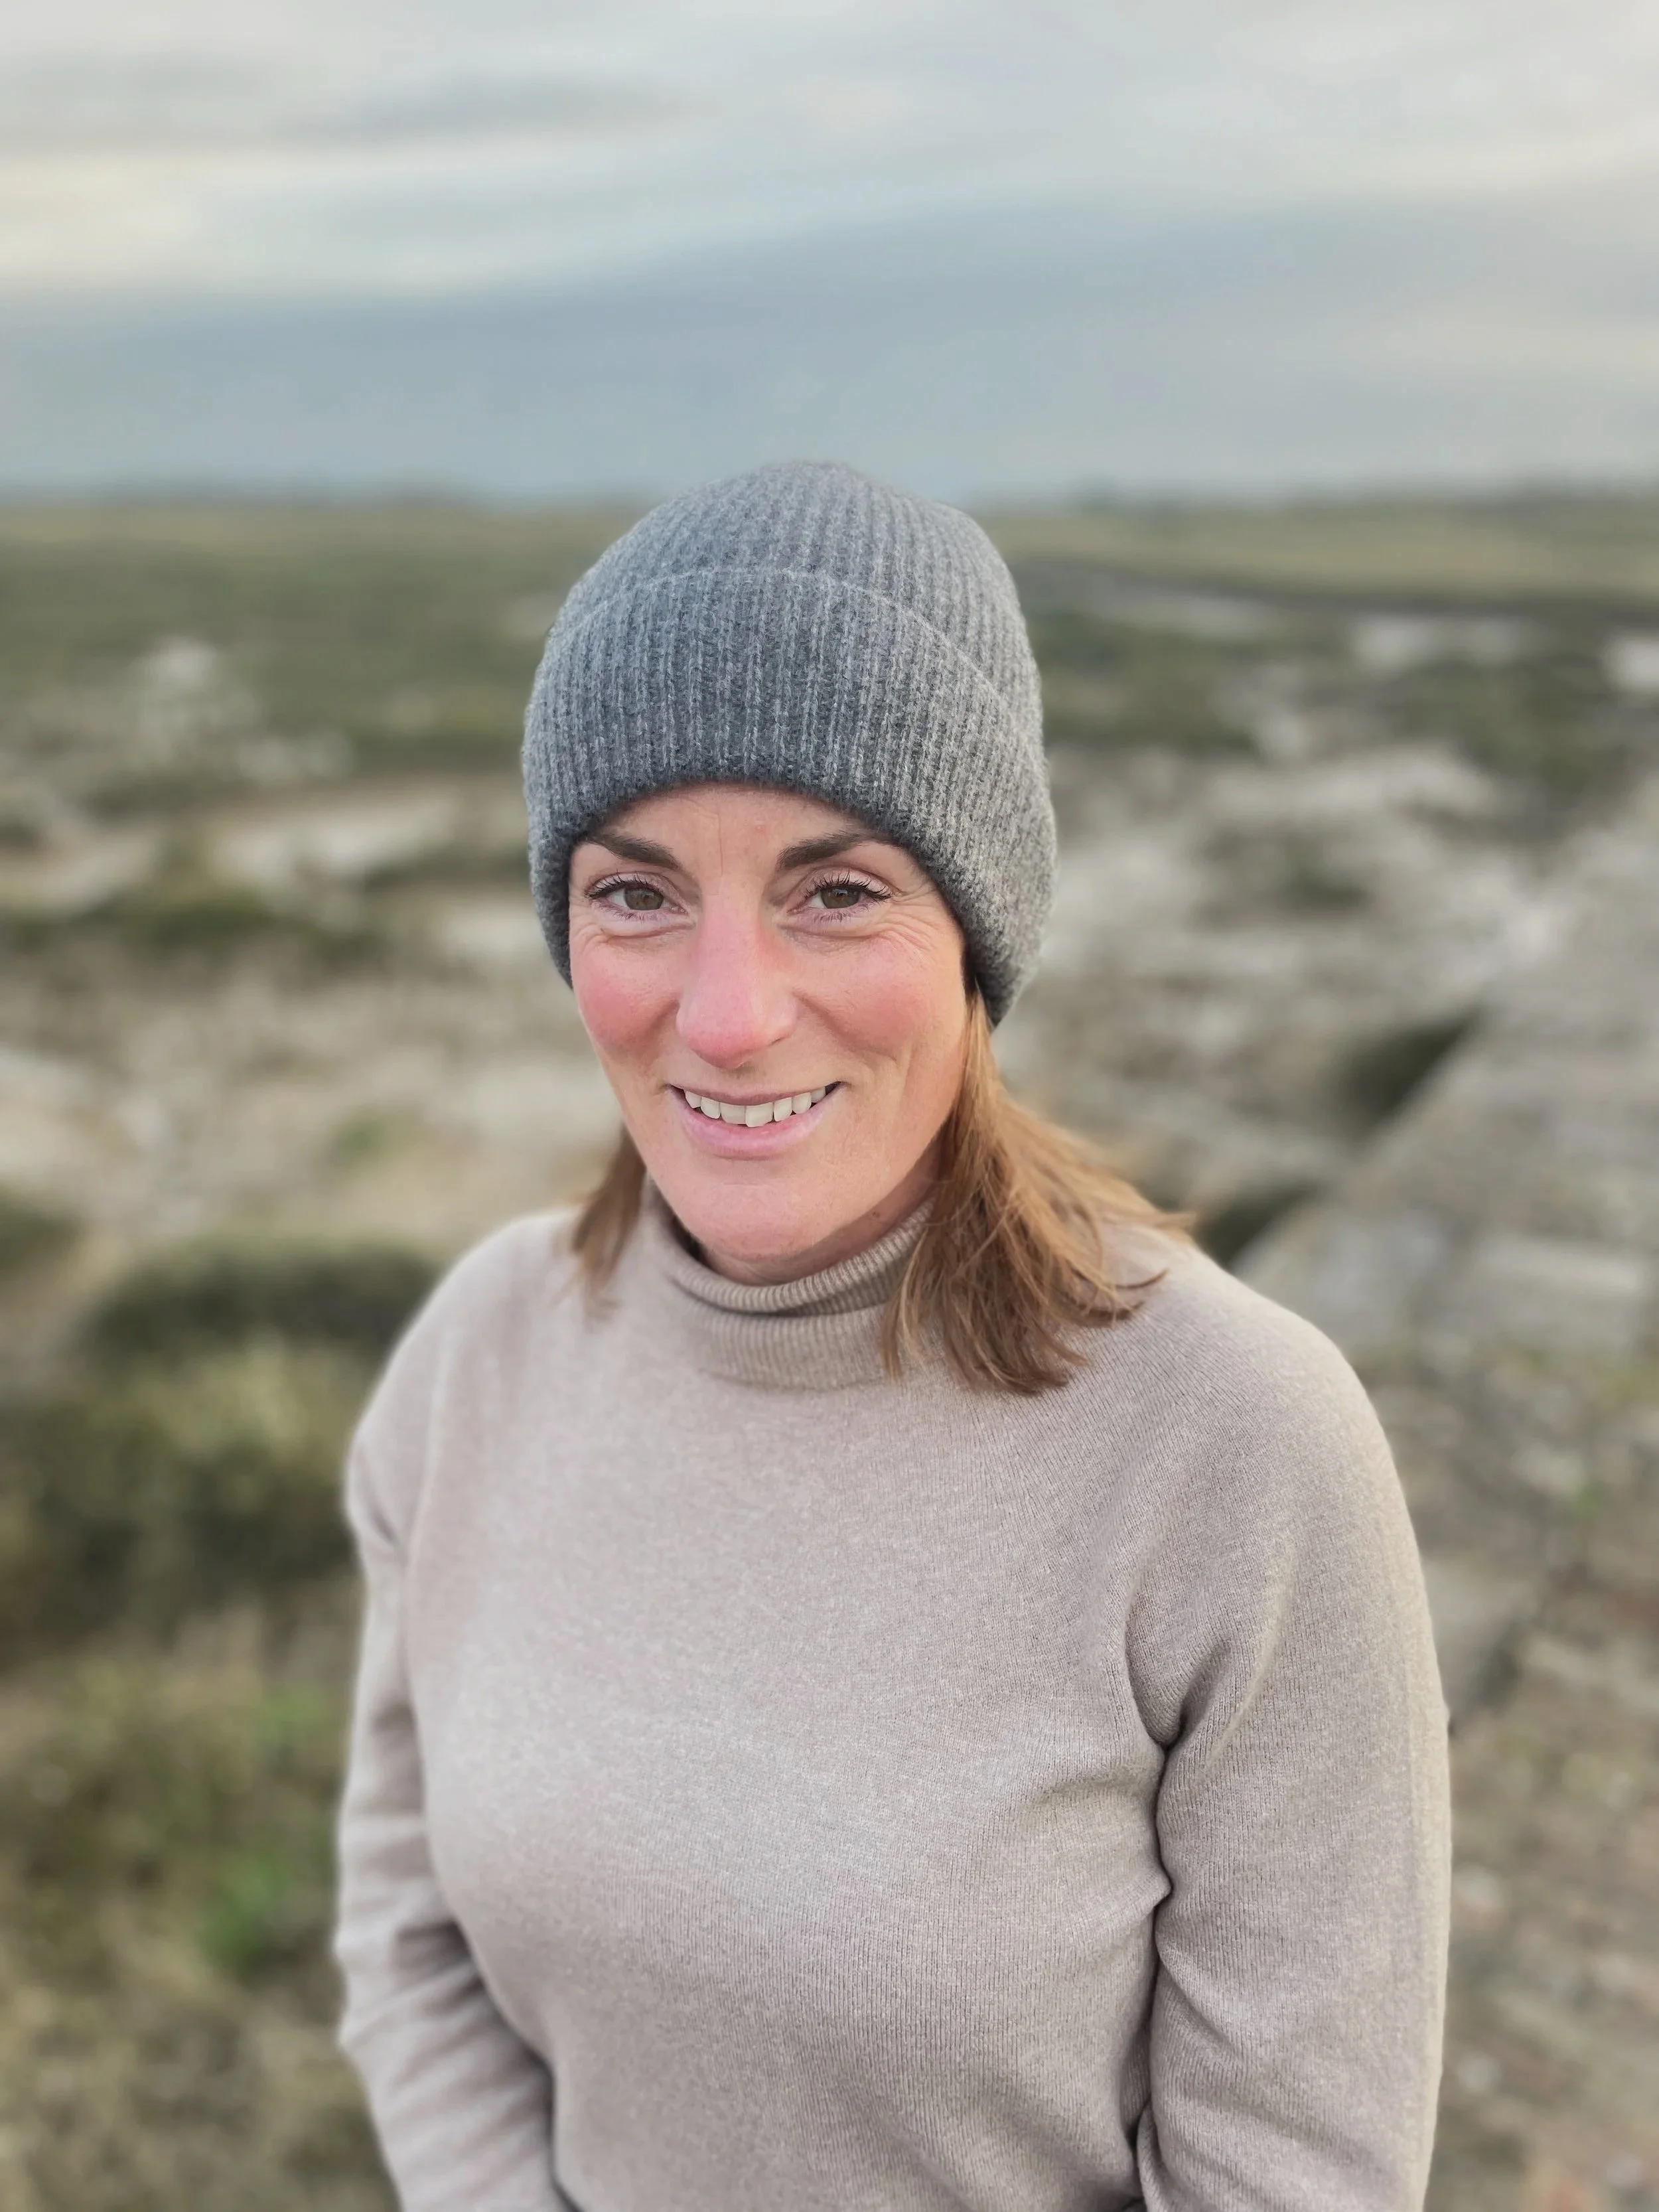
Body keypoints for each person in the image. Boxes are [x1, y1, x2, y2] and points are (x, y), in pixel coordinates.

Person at [333, 459, 1451, 2212]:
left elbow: (1293, 2176)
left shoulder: (1231, 1440)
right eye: (634, 893)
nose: (724, 1010)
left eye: (834, 890)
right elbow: (406, 1940)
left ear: (975, 933)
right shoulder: (479, 1355)